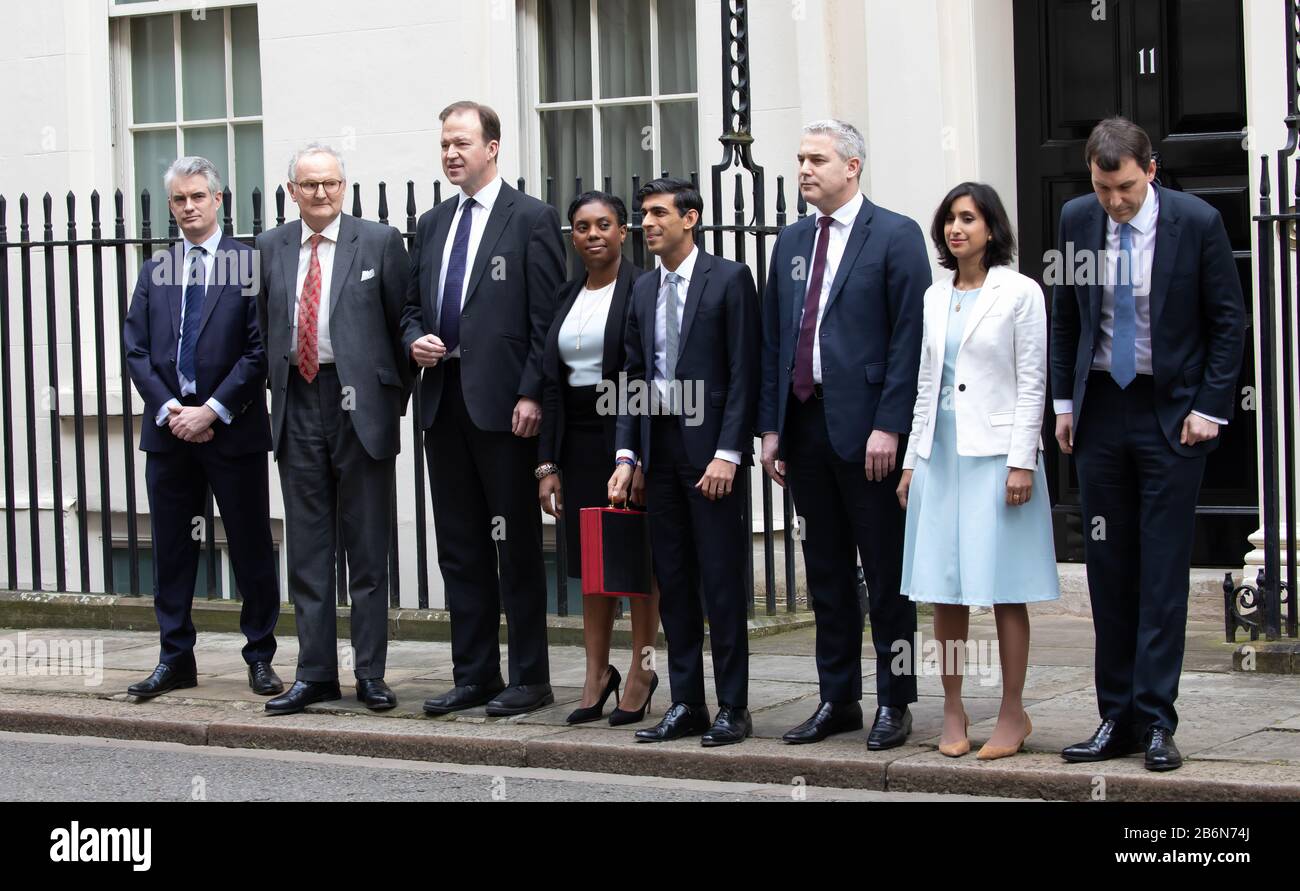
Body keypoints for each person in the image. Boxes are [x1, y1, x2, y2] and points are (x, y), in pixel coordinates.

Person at [1052, 117, 1245, 771]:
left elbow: (1228, 320)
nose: (1115, 202)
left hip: (1172, 415)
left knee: (1161, 573)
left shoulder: (1195, 222)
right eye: (1104, 188)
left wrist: (1210, 408)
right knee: (1108, 569)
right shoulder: (1078, 219)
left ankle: (1158, 720)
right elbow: (1066, 316)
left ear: (1151, 171)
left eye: (1126, 188)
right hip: (1102, 409)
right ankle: (1116, 717)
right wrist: (1062, 403)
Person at [758, 120, 929, 749]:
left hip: (869, 434)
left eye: (817, 159)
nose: (803, 169)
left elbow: (911, 338)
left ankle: (895, 700)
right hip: (804, 428)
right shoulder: (792, 240)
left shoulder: (896, 235)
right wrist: (770, 428)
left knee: (886, 576)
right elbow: (776, 338)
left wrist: (892, 425)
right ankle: (838, 698)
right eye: (800, 158)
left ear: (852, 166)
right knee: (825, 573)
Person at [402, 101, 566, 717]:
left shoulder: (533, 219)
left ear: (492, 148)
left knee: (516, 545)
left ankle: (530, 677)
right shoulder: (433, 222)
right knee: (461, 547)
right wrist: (411, 339)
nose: (450, 153)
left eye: (462, 143)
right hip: (444, 404)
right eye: (444, 143)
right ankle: (474, 674)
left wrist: (531, 392)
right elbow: (411, 306)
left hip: (506, 410)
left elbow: (546, 319)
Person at [897, 182, 1060, 760]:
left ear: (992, 228)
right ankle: (953, 709)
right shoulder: (934, 297)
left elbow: (1032, 380)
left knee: (1005, 588)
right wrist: (914, 459)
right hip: (940, 456)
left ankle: (1014, 714)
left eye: (968, 218)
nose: (955, 229)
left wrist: (1023, 461)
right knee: (945, 591)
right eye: (948, 220)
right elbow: (925, 383)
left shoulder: (1021, 293)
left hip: (995, 457)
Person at [255, 143, 412, 715]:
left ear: (343, 187)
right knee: (309, 548)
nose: (320, 193)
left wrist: (385, 399)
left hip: (360, 407)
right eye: (309, 184)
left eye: (330, 183)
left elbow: (403, 328)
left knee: (368, 551)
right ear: (291, 191)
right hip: (297, 399)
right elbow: (262, 328)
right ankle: (316, 673)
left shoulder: (378, 241)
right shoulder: (270, 247)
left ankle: (369, 673)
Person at [608, 177, 760, 747]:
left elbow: (745, 371)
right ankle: (687, 703)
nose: (645, 223)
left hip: (711, 455)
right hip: (660, 452)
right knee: (673, 584)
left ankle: (734, 708)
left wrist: (729, 453)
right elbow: (631, 377)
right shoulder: (643, 289)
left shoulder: (730, 280)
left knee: (720, 583)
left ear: (690, 218)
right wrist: (627, 453)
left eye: (657, 213)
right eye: (644, 214)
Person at [123, 156, 281, 700]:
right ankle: (175, 659)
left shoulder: (249, 264)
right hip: (170, 434)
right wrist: (172, 410)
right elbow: (136, 351)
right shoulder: (155, 271)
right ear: (171, 207)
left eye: (198, 197)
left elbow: (260, 352)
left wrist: (211, 410)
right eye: (179, 200)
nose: (188, 207)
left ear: (219, 200)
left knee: (250, 547)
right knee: (171, 550)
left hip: (231, 431)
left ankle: (260, 657)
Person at [537, 191, 661, 726]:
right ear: (572, 236)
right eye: (582, 226)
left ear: (623, 231)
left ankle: (640, 671)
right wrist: (547, 465)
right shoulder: (566, 294)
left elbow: (641, 375)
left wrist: (630, 456)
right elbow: (550, 383)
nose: (593, 234)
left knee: (635, 562)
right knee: (591, 564)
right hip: (577, 441)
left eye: (604, 224)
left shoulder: (642, 288)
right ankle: (595, 674)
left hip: (625, 435)